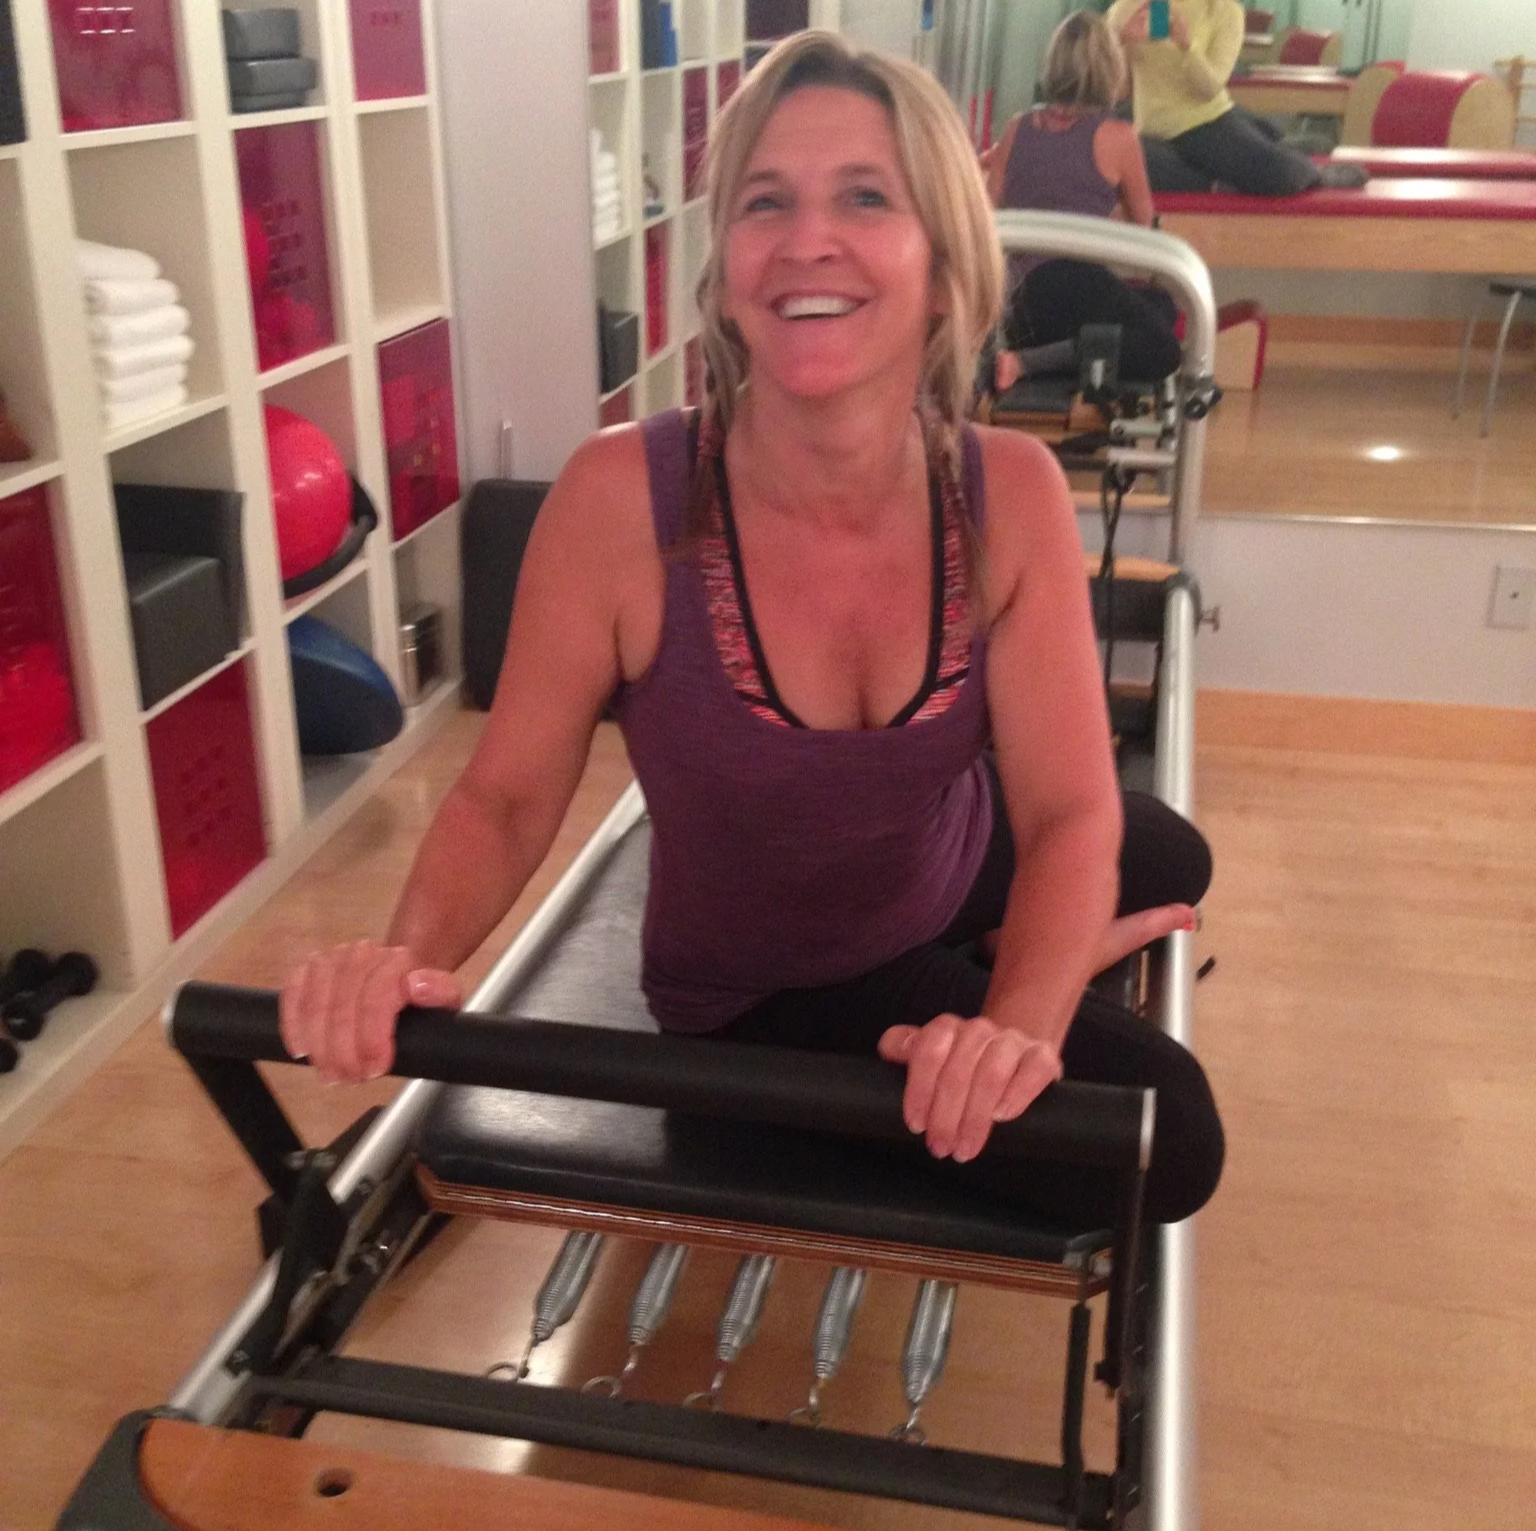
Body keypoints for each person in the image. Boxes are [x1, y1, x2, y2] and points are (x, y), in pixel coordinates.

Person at [280, 32, 1222, 1227]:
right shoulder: (620, 498)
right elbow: (505, 797)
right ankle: (994, 958)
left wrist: (1015, 1026)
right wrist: (397, 953)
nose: (806, 241)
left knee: (1167, 851)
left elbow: (1068, 811)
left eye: (866, 198)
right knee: (1174, 1138)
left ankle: (997, 950)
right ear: (726, 263)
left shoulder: (1012, 491)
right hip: (774, 988)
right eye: (765, 203)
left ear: (941, 259)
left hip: (940, 855)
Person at [983, 8, 1183, 391]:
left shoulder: (1016, 127)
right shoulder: (1119, 136)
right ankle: (1024, 364)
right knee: (1163, 350)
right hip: (1069, 283)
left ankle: (1040, 354)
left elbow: (990, 212)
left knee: (1159, 305)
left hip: (1018, 303)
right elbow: (1144, 227)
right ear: (1111, 69)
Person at [1106, 0, 1364, 195]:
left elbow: (1210, 89)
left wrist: (1186, 47)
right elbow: (1110, 91)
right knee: (1115, 164)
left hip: (1203, 123)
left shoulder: (1225, 11)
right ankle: (1251, 160)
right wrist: (1119, 41)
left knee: (1281, 176)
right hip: (1149, 129)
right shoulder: (1127, 8)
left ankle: (1313, 170)